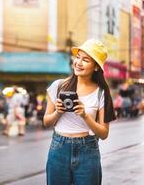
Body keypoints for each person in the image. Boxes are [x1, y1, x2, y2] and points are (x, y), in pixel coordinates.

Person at [43, 39, 116, 185]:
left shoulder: (101, 92)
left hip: (88, 151)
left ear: (96, 67)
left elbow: (104, 133)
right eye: (78, 57)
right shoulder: (58, 86)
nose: (79, 63)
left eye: (86, 60)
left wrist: (85, 115)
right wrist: (58, 112)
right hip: (59, 149)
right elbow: (46, 122)